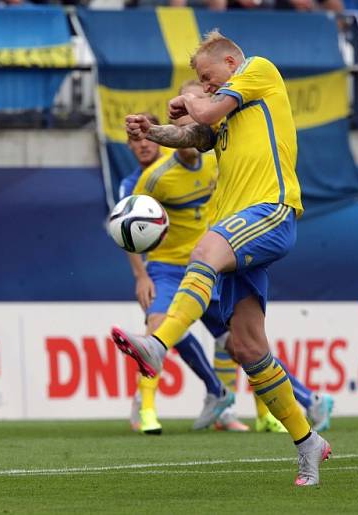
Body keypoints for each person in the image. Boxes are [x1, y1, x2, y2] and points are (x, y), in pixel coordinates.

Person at [114, 31, 331, 486]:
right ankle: (307, 440)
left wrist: (189, 98)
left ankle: (158, 345)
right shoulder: (231, 110)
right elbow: (196, 133)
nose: (206, 85)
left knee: (205, 250)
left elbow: (205, 110)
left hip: (269, 209)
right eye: (202, 81)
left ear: (231, 62)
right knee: (247, 347)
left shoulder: (260, 69)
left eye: (208, 77)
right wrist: (152, 130)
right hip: (237, 222)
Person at [118, 97, 236, 435]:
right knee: (159, 325)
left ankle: (266, 406)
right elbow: (125, 231)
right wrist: (141, 275)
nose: (142, 145)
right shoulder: (137, 185)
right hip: (166, 268)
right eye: (135, 140)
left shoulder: (190, 158)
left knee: (242, 343)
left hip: (205, 265)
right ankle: (148, 410)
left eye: (147, 137)